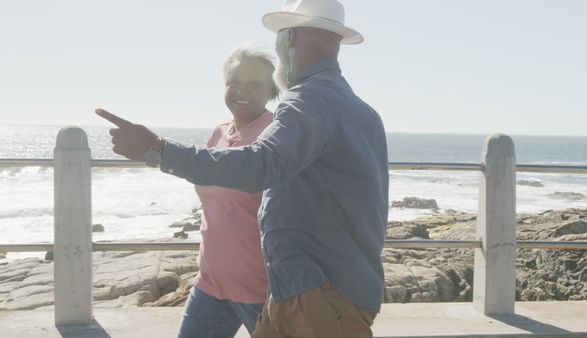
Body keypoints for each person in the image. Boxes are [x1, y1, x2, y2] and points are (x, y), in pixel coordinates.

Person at [96, 0, 388, 337]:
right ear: (336, 43)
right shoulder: (362, 112)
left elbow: (260, 165)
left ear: (288, 37)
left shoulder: (309, 99)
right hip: (326, 287)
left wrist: (158, 150)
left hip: (316, 292)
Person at [176, 45, 279, 338]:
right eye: (233, 81)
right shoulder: (219, 133)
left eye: (253, 83)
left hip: (260, 289)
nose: (240, 90)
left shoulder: (276, 135)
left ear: (271, 89)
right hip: (210, 282)